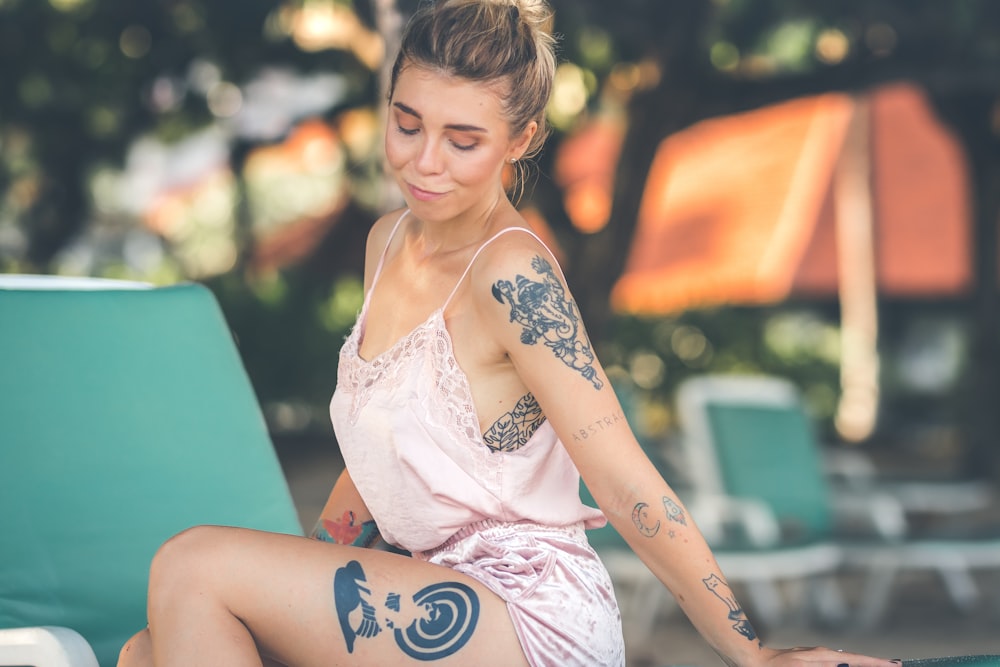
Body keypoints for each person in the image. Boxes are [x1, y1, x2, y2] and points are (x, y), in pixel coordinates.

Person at [117, 1, 903, 665]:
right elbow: (378, 458)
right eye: (407, 124)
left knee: (191, 564)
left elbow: (628, 480)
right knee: (149, 648)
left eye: (464, 141)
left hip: (526, 611)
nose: (426, 163)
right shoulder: (386, 240)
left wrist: (755, 653)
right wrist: (298, 576)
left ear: (520, 140)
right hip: (425, 588)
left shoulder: (513, 274)